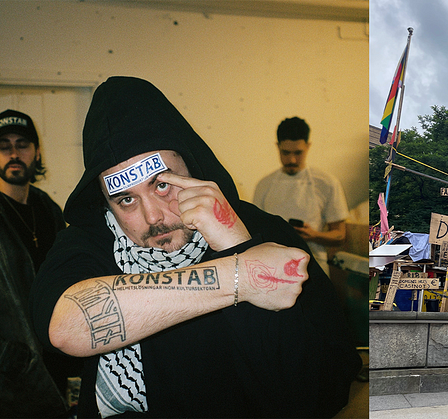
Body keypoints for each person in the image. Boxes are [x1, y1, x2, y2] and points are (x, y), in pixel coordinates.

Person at [30, 77, 360, 418]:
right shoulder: (91, 240)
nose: (153, 217)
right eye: (126, 199)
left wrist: (235, 242)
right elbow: (66, 326)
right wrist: (242, 274)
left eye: (161, 185)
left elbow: (324, 384)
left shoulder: (262, 230)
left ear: (191, 166)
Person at [0, 109, 78, 417]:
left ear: (36, 152)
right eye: (4, 145)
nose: (14, 153)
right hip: (9, 369)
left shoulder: (48, 208)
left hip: (52, 357)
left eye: (23, 144)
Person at [253, 117, 349, 275]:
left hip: (314, 268)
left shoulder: (327, 183)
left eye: (298, 153)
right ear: (278, 147)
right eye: (285, 152)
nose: (292, 159)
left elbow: (340, 235)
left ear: (308, 146)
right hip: (272, 268)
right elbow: (254, 231)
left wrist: (313, 235)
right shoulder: (264, 185)